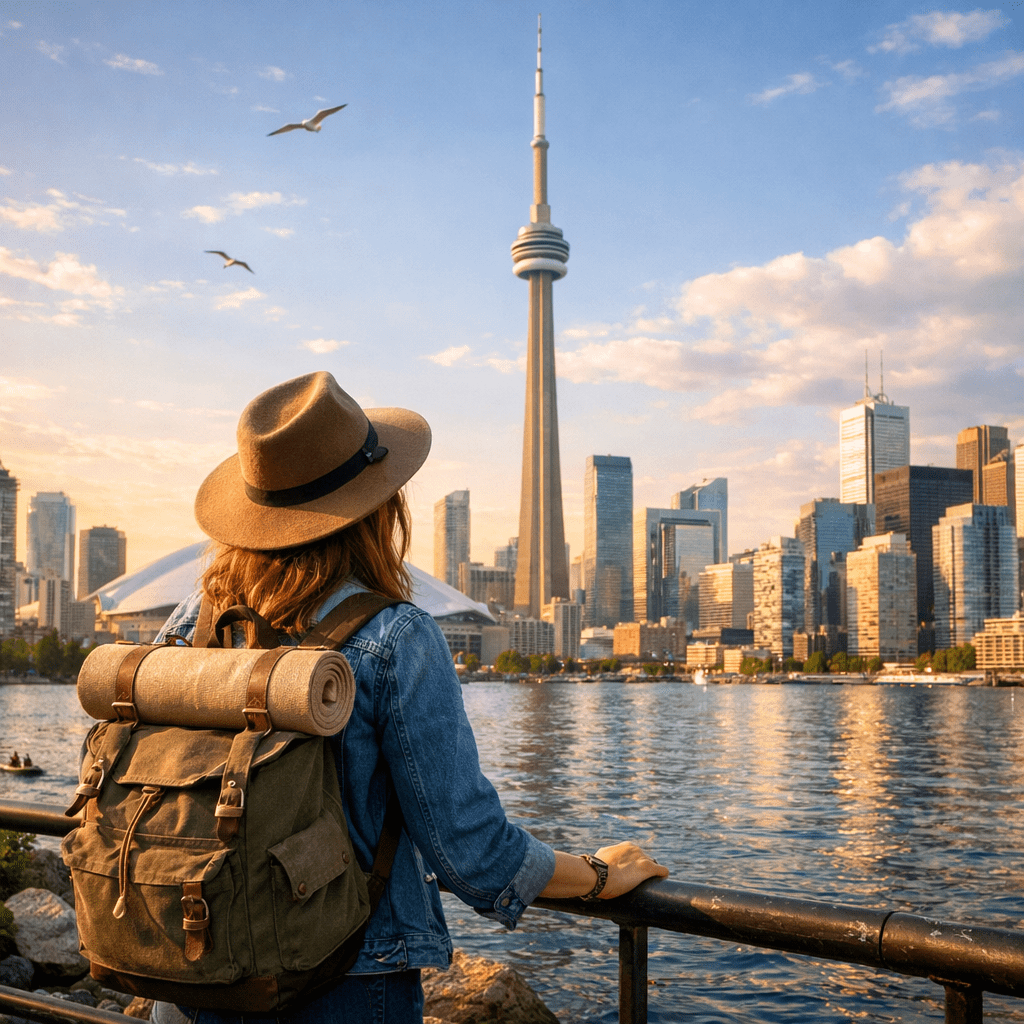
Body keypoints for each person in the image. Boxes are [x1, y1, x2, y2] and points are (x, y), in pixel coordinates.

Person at [155, 371, 668, 1024]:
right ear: (381, 508)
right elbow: (473, 855)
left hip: (196, 961)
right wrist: (599, 876)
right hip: (338, 980)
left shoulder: (197, 623)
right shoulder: (393, 635)